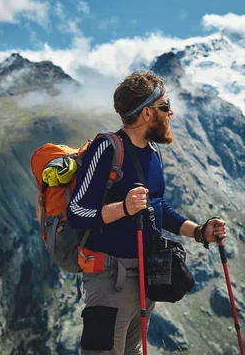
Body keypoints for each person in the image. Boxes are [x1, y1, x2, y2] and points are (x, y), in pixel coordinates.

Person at [67, 70, 227, 355]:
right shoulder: (106, 148)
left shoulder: (153, 152)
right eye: (165, 107)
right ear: (146, 114)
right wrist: (124, 208)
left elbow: (157, 207)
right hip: (108, 280)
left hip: (145, 275)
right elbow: (76, 212)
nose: (171, 112)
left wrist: (199, 231)